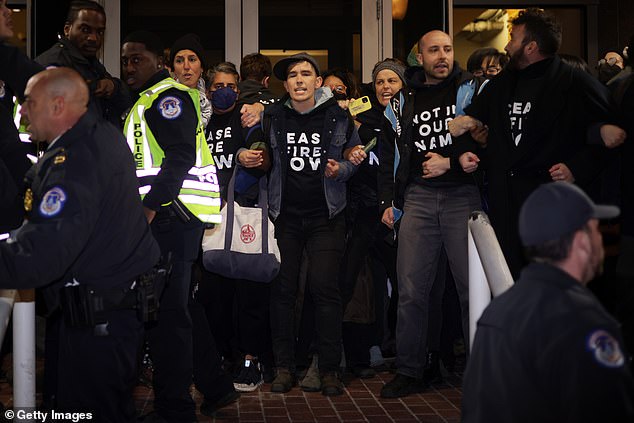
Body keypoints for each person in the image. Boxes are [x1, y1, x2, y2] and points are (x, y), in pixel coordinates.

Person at [0, 67, 160, 421]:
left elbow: (41, 257)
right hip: (105, 313)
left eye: (28, 103)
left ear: (58, 106)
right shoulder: (98, 136)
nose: (22, 111)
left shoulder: (75, 160)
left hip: (98, 324)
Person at [451, 8, 625, 277]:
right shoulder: (502, 82)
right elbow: (471, 121)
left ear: (530, 47)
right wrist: (466, 151)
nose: (507, 46)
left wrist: (577, 167)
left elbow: (616, 135)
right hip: (506, 209)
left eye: (513, 38)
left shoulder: (572, 80)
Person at [462, 182, 634, 423]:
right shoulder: (589, 323)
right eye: (596, 228)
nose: (601, 238)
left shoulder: (496, 313)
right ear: (581, 241)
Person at [121, 30, 222, 422]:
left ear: (156, 63)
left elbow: (179, 157)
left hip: (171, 218)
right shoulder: (150, 98)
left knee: (169, 316)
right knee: (172, 311)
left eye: (136, 59)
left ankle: (175, 407)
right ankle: (208, 390)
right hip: (169, 217)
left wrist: (148, 208)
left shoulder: (167, 97)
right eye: (125, 60)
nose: (129, 67)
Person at [378, 30, 483, 399]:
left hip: (462, 196)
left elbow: (491, 140)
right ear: (418, 57)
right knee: (410, 291)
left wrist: (451, 163)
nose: (442, 56)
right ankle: (410, 369)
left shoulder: (472, 90)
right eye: (433, 50)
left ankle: (482, 372)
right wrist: (394, 200)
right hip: (418, 198)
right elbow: (395, 155)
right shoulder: (402, 99)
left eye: (448, 49)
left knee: (473, 289)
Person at [265, 52, 363, 396]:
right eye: (292, 75)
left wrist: (344, 169)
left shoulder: (338, 116)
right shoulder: (272, 115)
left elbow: (355, 155)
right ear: (286, 83)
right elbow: (260, 152)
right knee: (282, 292)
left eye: (306, 74)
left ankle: (330, 369)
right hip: (285, 216)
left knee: (325, 290)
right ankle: (283, 368)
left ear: (318, 82)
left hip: (327, 215)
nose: (299, 80)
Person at [35, 0, 129, 125]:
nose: (93, 38)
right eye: (85, 30)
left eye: (100, 32)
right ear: (67, 29)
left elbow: (124, 101)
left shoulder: (90, 62)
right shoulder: (55, 63)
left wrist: (113, 86)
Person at [170, 33, 212, 128]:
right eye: (179, 61)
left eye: (192, 60)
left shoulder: (212, 95)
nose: (186, 66)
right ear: (173, 69)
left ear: (202, 67)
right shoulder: (165, 99)